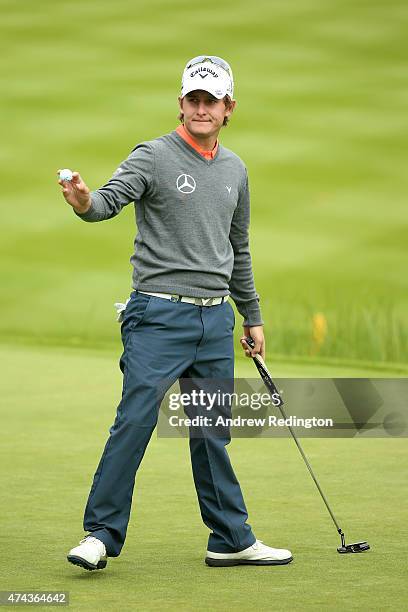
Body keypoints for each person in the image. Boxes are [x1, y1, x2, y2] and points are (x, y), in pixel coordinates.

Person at [58, 55, 293, 569]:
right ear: (181, 103)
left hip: (215, 321)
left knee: (213, 432)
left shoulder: (235, 169)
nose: (202, 108)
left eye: (213, 100)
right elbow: (107, 202)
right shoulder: (153, 156)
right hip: (158, 316)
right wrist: (83, 201)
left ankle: (230, 538)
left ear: (229, 108)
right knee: (136, 420)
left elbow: (239, 248)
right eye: (194, 99)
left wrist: (251, 315)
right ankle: (100, 534)